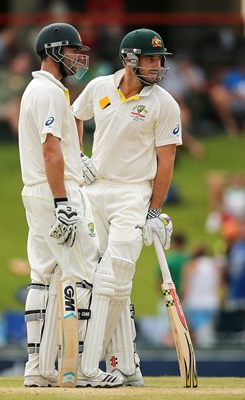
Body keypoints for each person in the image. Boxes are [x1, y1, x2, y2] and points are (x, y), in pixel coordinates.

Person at [73, 27, 182, 385]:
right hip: (95, 191)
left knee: (115, 273)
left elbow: (166, 162)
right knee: (103, 281)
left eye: (158, 59)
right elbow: (76, 115)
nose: (156, 65)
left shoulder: (164, 103)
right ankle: (127, 365)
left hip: (133, 194)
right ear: (128, 59)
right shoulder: (100, 87)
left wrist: (153, 210)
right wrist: (78, 155)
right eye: (149, 59)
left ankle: (89, 367)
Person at [18, 22, 122, 388]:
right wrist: (63, 200)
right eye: (73, 50)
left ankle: (39, 368)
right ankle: (81, 368)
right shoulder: (49, 92)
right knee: (85, 274)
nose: (79, 57)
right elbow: (49, 150)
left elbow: (58, 149)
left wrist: (78, 158)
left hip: (35, 191)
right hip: (55, 193)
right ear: (52, 52)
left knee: (43, 273)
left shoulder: (38, 90)